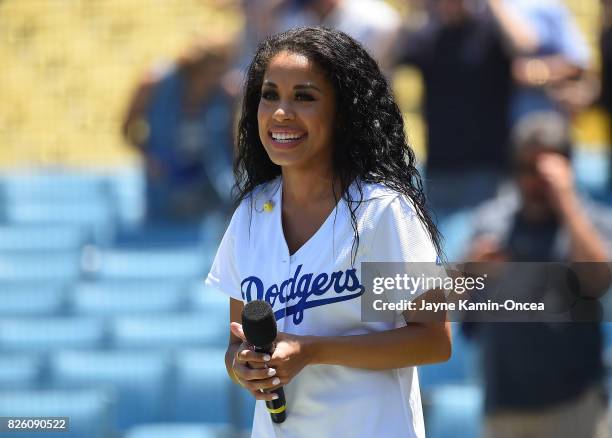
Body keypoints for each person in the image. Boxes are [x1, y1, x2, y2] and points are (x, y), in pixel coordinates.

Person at [205, 27, 451, 438]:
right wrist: (244, 366)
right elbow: (236, 343)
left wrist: (311, 351)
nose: (281, 112)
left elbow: (433, 341)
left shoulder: (382, 211)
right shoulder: (250, 215)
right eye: (270, 95)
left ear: (343, 113)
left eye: (304, 96)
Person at [464, 111, 612, 438]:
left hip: (576, 409)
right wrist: (469, 272)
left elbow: (597, 280)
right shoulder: (492, 224)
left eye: (542, 171)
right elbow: (455, 308)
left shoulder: (590, 222)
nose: (533, 182)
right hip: (505, 409)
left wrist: (566, 200)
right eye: (526, 169)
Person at [122, 38, 236, 221]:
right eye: (213, 72)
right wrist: (149, 157)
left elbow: (231, 144)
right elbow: (127, 128)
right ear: (196, 68)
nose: (218, 78)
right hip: (165, 180)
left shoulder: (225, 94)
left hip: (208, 180)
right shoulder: (154, 84)